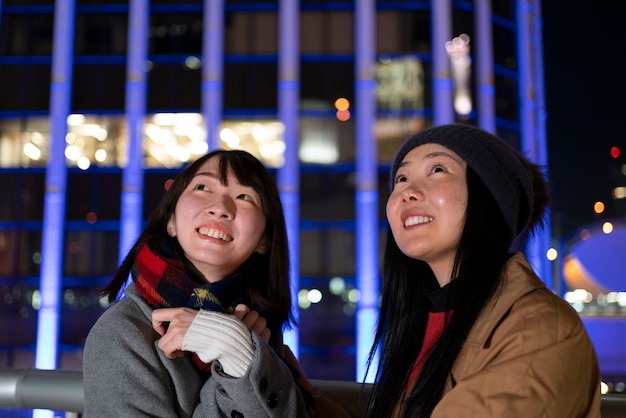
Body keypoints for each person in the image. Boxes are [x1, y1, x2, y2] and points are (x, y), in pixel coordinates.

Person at [365, 124, 601, 418]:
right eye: (401, 178)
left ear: (487, 196)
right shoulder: (424, 321)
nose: (408, 192)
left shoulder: (539, 329)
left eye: (437, 169)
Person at [84, 149, 324, 417]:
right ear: (171, 221)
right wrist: (233, 345)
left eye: (244, 196)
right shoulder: (125, 332)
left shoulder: (262, 328)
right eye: (202, 187)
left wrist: (236, 349)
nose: (221, 208)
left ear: (265, 240)